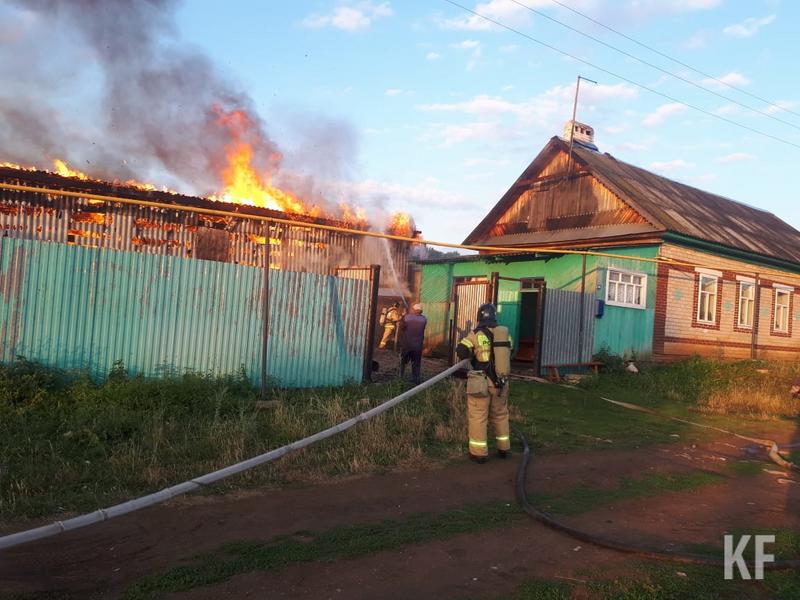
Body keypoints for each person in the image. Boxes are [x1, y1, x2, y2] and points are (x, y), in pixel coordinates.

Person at [456, 303, 512, 464]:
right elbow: (510, 352)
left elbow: (461, 351)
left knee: (478, 416)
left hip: (481, 381)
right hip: (501, 382)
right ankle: (504, 448)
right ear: (495, 316)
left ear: (479, 317)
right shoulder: (504, 334)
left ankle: (479, 452)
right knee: (501, 415)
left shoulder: (475, 334)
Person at [399, 303, 427, 384]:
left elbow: (402, 327)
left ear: (414, 310)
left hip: (407, 345)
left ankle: (400, 377)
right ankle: (416, 379)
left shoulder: (407, 317)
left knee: (403, 361)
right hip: (418, 346)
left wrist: (403, 316)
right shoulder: (424, 319)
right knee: (416, 363)